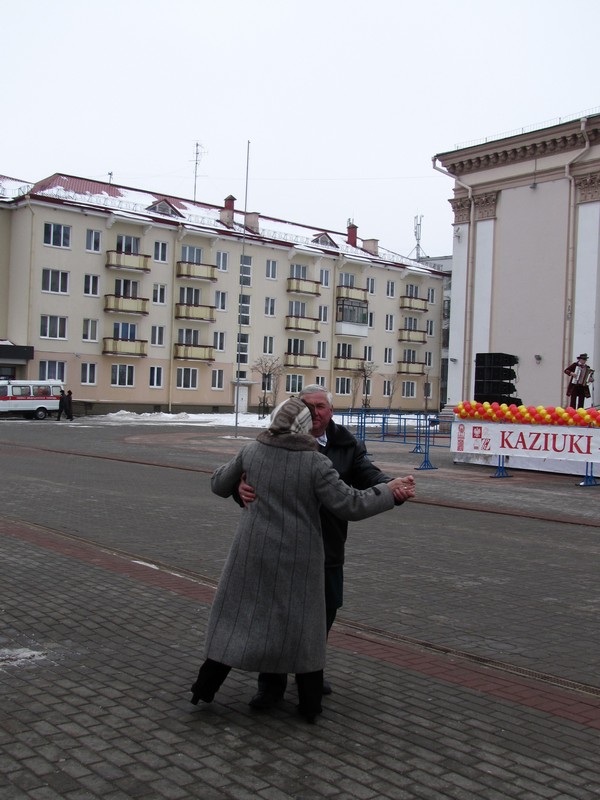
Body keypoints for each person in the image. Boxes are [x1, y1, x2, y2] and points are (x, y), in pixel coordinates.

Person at [190, 397, 415, 723]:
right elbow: (350, 504)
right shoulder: (315, 463)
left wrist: (237, 483)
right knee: (305, 629)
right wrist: (389, 492)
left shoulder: (252, 451)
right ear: (303, 427)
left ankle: (204, 688)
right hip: (299, 560)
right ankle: (309, 705)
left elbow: (217, 483)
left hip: (252, 555)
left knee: (238, 620)